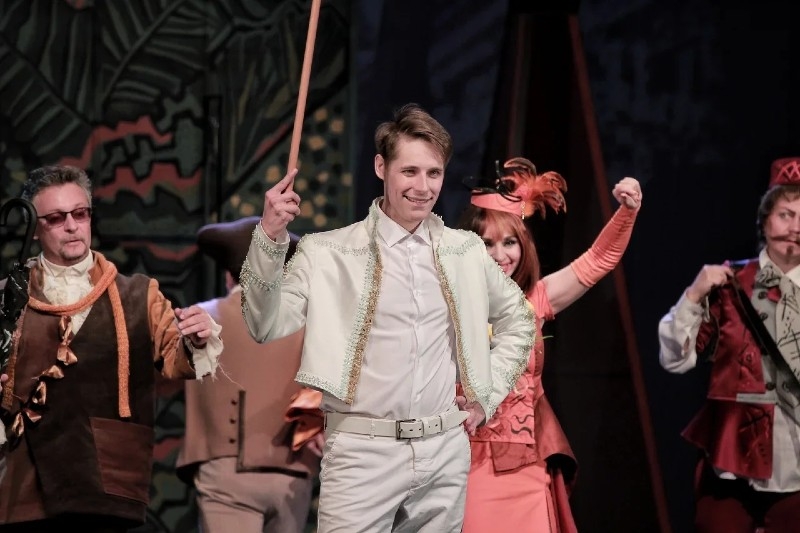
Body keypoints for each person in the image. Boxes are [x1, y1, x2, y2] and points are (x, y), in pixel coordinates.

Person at [239, 103, 535, 532]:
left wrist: (485, 397)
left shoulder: (464, 251)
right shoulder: (328, 252)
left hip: (443, 451)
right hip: (362, 452)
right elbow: (264, 325)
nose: (423, 186)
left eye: (434, 173)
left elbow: (519, 319)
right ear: (381, 167)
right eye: (409, 171)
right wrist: (269, 238)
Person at [0, 165, 222, 532]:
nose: (71, 225)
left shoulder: (139, 294)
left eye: (80, 213)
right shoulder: (10, 297)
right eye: (56, 218)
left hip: (104, 481)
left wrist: (195, 339)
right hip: (26, 484)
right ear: (35, 228)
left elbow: (175, 359)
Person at [456, 157, 642, 532]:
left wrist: (627, 211)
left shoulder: (535, 299)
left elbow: (598, 260)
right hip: (467, 459)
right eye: (487, 243)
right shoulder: (447, 303)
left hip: (527, 464)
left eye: (509, 242)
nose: (500, 255)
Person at [658, 157, 800, 532]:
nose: (795, 228)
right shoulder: (728, 284)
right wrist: (693, 295)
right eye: (786, 215)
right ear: (765, 220)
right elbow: (676, 360)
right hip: (732, 462)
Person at [176, 216, 323, 533]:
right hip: (292, 475)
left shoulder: (200, 318)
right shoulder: (309, 324)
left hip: (227, 472)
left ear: (229, 276)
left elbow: (162, 377)